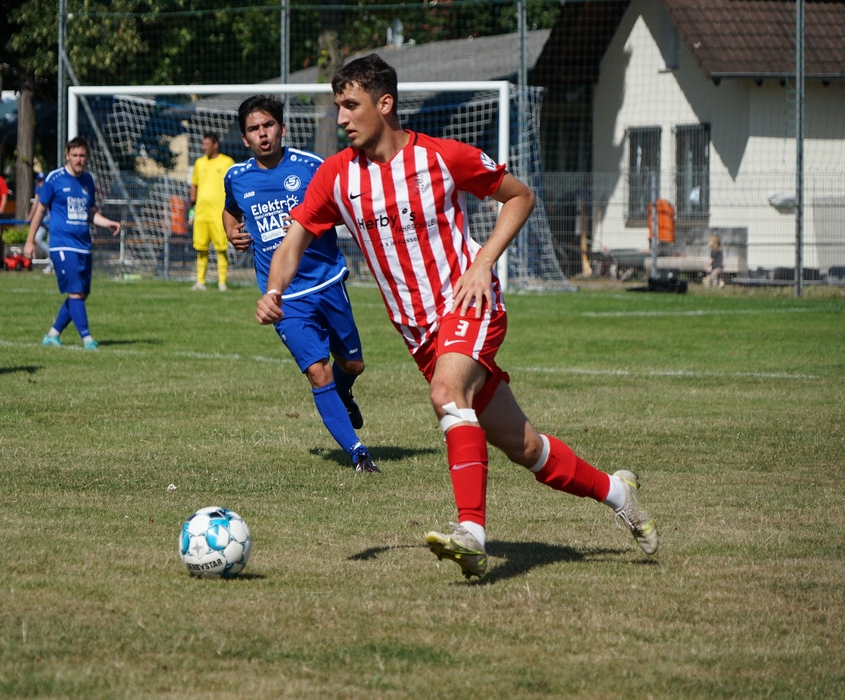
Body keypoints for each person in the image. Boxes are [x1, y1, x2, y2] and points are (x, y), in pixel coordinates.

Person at [257, 54, 659, 579]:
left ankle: (471, 534)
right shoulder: (336, 176)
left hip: (470, 303)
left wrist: (483, 263)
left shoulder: (443, 157)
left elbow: (519, 196)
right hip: (420, 332)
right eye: (337, 107)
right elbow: (294, 241)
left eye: (350, 106)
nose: (341, 119)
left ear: (385, 104)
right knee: (525, 446)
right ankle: (617, 492)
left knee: (447, 394)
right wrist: (274, 288)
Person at [223, 95, 377, 473]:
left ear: (282, 129)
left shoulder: (313, 167)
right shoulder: (237, 177)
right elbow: (230, 209)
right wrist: (232, 232)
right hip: (284, 296)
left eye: (268, 126)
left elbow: (346, 206)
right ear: (244, 139)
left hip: (327, 281)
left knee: (352, 364)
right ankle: (358, 454)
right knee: (317, 370)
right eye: (254, 130)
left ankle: (343, 393)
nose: (263, 135)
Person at [24, 136, 121, 350]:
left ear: (87, 157)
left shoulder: (88, 181)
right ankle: (87, 339)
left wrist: (108, 223)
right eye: (74, 155)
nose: (78, 159)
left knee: (81, 294)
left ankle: (53, 334)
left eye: (82, 155)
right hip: (62, 244)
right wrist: (30, 241)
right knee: (75, 292)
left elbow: (90, 213)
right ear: (67, 155)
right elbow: (40, 210)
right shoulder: (54, 178)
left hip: (83, 244)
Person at [189, 132, 234, 291]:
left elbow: (233, 185)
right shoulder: (199, 163)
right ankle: (200, 282)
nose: (204, 147)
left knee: (221, 249)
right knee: (201, 249)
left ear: (215, 145)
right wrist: (192, 208)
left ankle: (222, 282)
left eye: (207, 144)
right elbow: (194, 185)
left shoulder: (227, 162)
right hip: (201, 214)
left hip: (219, 215)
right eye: (203, 144)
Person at [26, 171, 53, 273]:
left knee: (51, 242)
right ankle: (53, 257)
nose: (41, 183)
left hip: (51, 219)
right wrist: (30, 216)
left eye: (43, 180)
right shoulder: (38, 188)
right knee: (37, 238)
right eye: (39, 180)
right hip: (42, 219)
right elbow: (36, 204)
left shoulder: (49, 187)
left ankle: (53, 263)